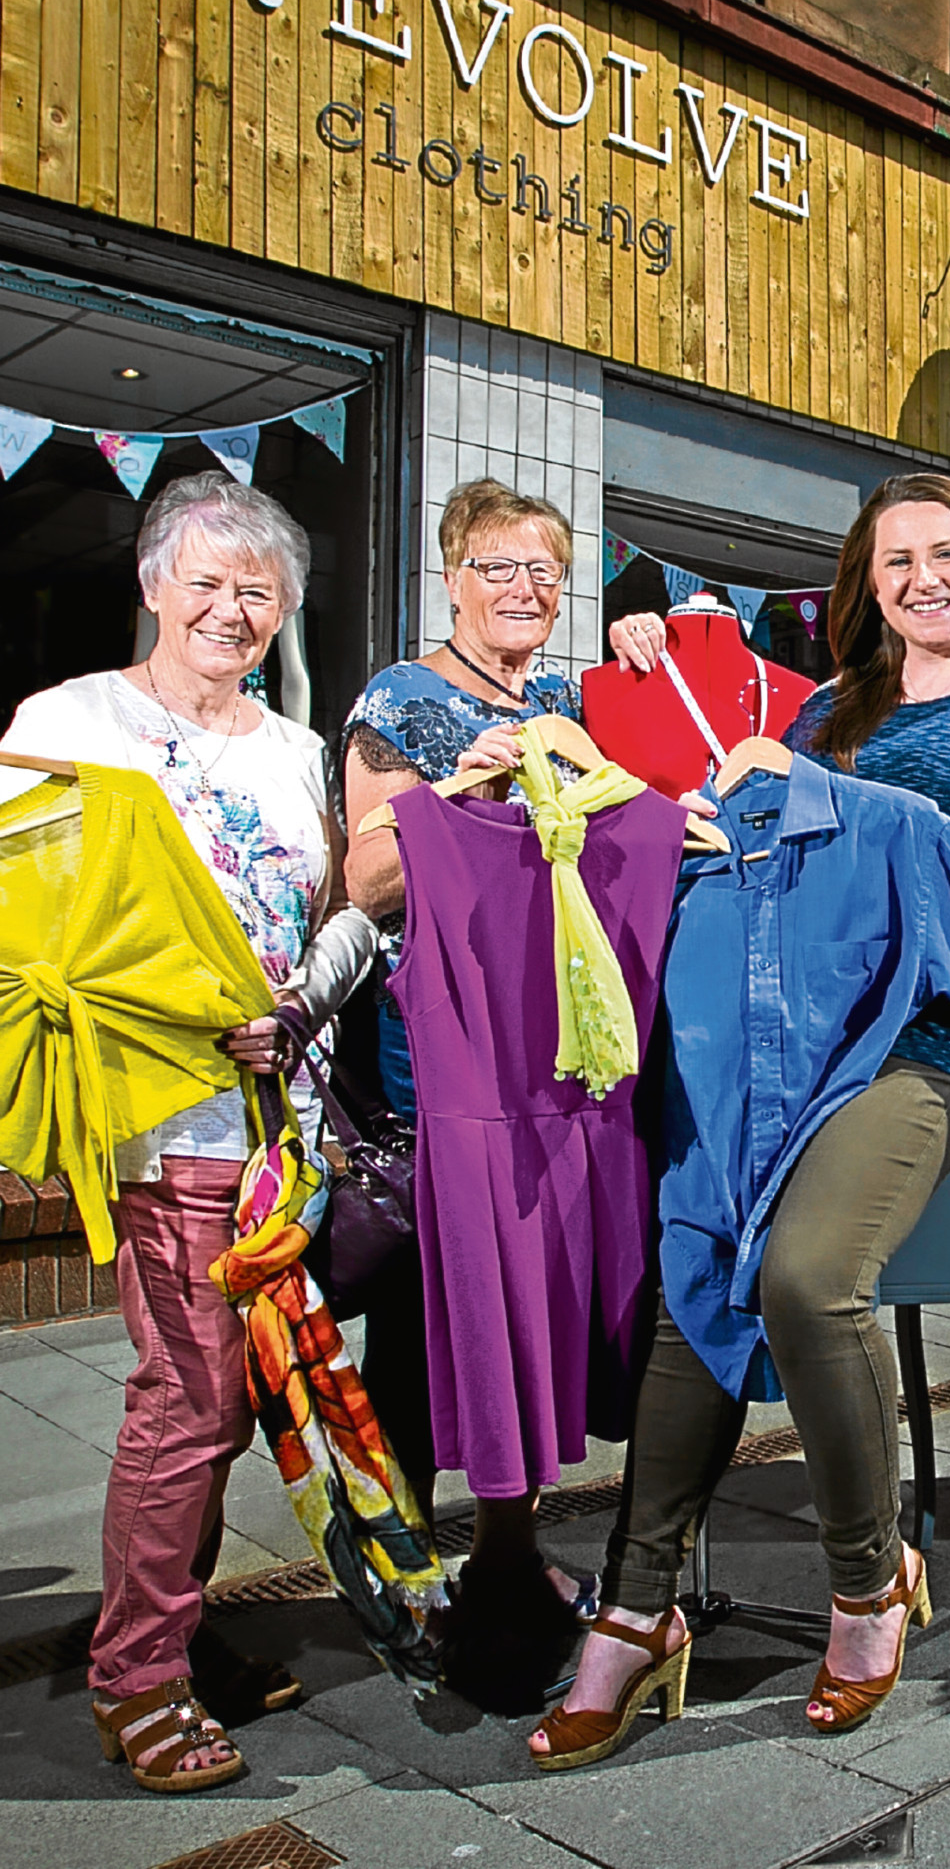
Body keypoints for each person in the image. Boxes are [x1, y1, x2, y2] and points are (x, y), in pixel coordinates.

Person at [540, 472, 950, 1763]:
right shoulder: (827, 711)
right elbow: (760, 860)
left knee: (807, 1276)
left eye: (944, 551)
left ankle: (870, 1579)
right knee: (709, 1258)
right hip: (801, 1047)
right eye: (894, 558)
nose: (922, 575)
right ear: (864, 583)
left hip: (946, 1040)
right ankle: (637, 1607)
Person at [0, 474, 352, 1788]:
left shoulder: (292, 748)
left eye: (258, 590)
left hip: (284, 1125)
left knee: (223, 1402)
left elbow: (342, 908)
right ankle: (141, 1677)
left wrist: (300, 999)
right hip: (156, 1119)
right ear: (153, 583)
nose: (232, 608)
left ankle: (170, 1619)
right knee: (190, 1394)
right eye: (208, 581)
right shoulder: (71, 721)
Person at [337, 479, 601, 1694]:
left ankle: (508, 1549)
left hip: (543, 1032)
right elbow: (368, 879)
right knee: (425, 1297)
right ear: (449, 576)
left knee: (522, 1291)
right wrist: (465, 787)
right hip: (427, 1035)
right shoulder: (401, 698)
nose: (525, 591)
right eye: (499, 568)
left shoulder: (564, 694)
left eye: (546, 570)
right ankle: (401, 1556)